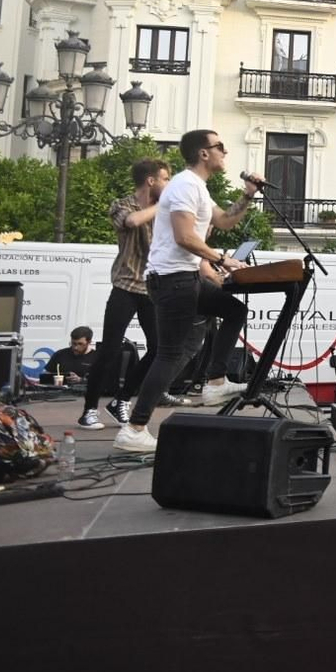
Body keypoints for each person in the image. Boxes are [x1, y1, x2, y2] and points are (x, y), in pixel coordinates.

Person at [115, 129, 262, 455]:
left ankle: (215, 382)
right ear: (203, 153)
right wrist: (223, 259)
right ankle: (134, 428)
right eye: (220, 146)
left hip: (184, 279)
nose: (225, 152)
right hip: (172, 280)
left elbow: (223, 222)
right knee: (169, 354)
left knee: (234, 310)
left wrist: (248, 194)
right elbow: (183, 236)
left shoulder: (197, 187)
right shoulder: (183, 185)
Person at [77, 159, 169, 428]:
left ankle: (121, 400)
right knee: (111, 349)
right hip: (126, 285)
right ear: (151, 181)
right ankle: (89, 410)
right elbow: (131, 221)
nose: (169, 184)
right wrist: (163, 205)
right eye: (165, 179)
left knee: (159, 349)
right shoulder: (123, 204)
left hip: (151, 287)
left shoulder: (163, 211)